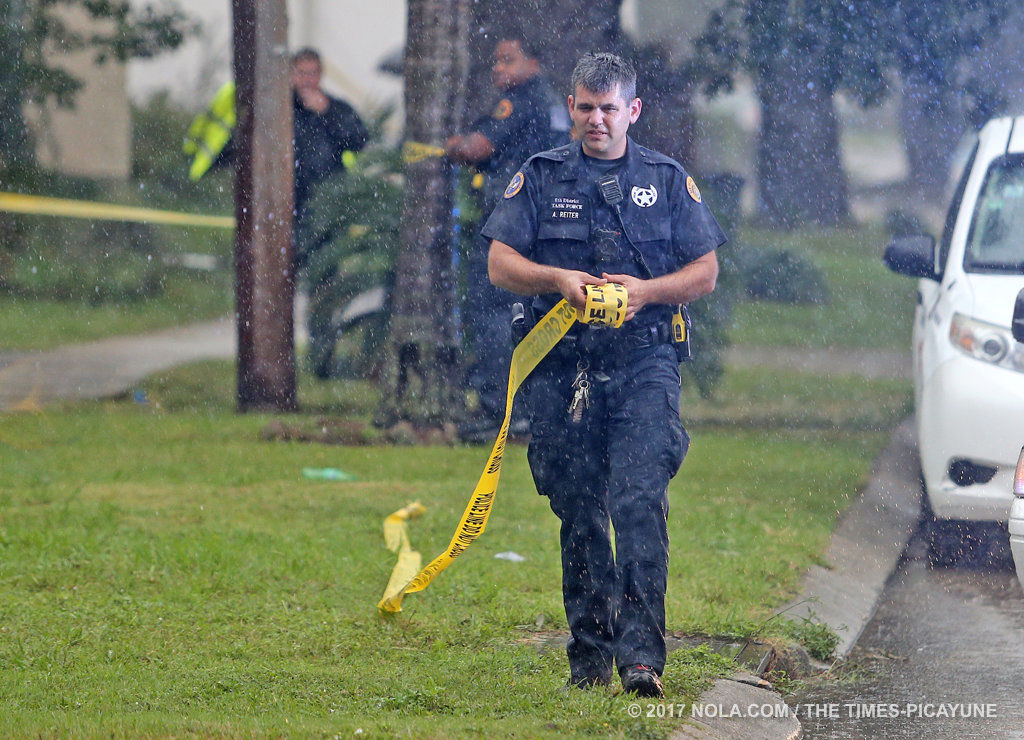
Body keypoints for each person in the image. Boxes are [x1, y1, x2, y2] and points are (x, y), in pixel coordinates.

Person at [482, 52, 725, 697]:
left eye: (609, 108)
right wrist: (557, 279)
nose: (597, 120)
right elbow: (500, 263)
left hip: (644, 360)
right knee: (580, 508)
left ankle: (642, 658)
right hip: (564, 366)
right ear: (572, 107)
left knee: (640, 502)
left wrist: (646, 292)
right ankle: (590, 653)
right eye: (586, 107)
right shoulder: (540, 177)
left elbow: (704, 272)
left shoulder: (668, 180)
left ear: (632, 111)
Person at [445, 35, 570, 442]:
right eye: (495, 61)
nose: (498, 68)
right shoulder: (552, 101)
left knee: (493, 313)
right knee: (530, 315)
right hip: (545, 223)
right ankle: (531, 409)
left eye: (507, 60)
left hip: (510, 222)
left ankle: (496, 409)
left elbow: (480, 147)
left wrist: (456, 147)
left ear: (532, 62)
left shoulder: (519, 101)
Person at [289, 47, 369, 378]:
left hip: (325, 217)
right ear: (291, 75)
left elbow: (360, 138)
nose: (308, 80)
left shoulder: (335, 108)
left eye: (313, 73)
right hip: (286, 214)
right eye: (302, 73)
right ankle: (278, 361)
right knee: (278, 287)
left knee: (324, 291)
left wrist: (327, 115)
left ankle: (321, 362)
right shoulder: (281, 111)